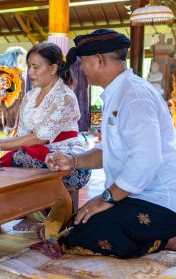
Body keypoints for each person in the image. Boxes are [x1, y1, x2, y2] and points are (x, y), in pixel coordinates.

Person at [46, 29, 176, 258]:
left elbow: (147, 159)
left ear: (99, 60)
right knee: (78, 224)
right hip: (132, 195)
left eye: (84, 62)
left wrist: (105, 198)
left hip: (158, 200)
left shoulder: (134, 96)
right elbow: (112, 152)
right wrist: (74, 161)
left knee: (87, 233)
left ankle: (168, 239)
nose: (82, 69)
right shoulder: (118, 92)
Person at [0, 42, 91, 229]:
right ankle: (25, 213)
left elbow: (39, 138)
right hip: (35, 150)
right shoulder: (30, 96)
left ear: (53, 68)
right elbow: (21, 136)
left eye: (36, 67)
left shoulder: (64, 97)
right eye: (29, 66)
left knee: (18, 159)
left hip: (67, 158)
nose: (30, 72)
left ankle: (31, 214)